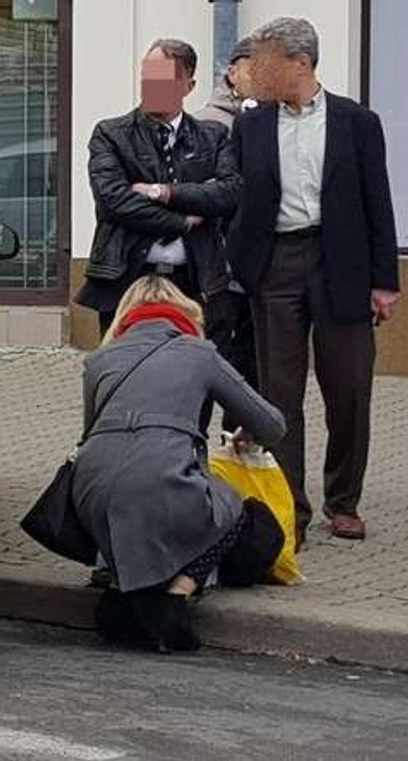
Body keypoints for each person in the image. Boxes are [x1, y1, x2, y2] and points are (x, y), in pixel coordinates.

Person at [225, 18, 400, 543]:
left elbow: (378, 200)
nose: (253, 72)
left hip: (340, 264)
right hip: (275, 264)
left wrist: (384, 280)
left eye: (263, 63)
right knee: (279, 394)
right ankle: (289, 511)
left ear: (300, 64)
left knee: (349, 389)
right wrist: (240, 262)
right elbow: (235, 195)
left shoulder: (357, 122)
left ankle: (343, 501)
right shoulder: (250, 125)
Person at [73, 276, 285, 653]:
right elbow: (273, 425)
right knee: (229, 506)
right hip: (164, 481)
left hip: (90, 491)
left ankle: (123, 588)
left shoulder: (99, 360)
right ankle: (178, 593)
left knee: (133, 502)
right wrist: (247, 431)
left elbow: (89, 433)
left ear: (125, 315)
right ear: (187, 313)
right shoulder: (199, 353)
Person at [77, 39, 241, 339]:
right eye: (147, 77)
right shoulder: (111, 134)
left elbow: (229, 194)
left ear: (188, 86)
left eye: (162, 79)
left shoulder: (213, 136)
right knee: (127, 364)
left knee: (196, 364)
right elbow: (114, 200)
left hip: (196, 282)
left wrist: (163, 192)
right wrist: (182, 221)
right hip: (127, 279)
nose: (151, 87)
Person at [195, 36, 261, 430]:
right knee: (213, 354)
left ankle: (240, 442)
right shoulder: (210, 123)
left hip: (260, 267)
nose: (260, 77)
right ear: (232, 72)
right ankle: (198, 439)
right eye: (253, 68)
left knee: (253, 365)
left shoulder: (274, 120)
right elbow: (207, 194)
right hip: (219, 267)